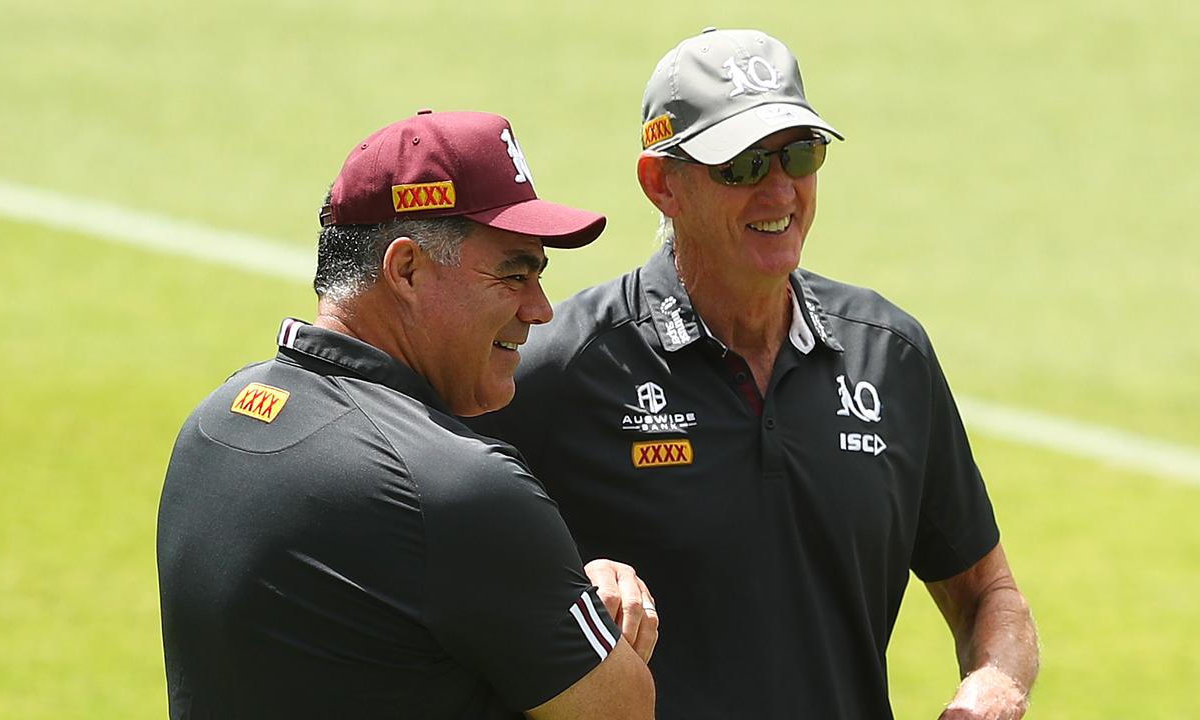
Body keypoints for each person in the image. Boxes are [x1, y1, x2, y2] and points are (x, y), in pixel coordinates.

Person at [467, 29, 1040, 719]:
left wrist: (995, 685)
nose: (779, 191)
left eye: (800, 155)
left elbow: (988, 592)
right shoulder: (555, 369)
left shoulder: (890, 357)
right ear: (662, 184)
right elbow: (440, 593)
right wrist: (576, 587)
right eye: (741, 166)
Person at [156, 110, 655, 719]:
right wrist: (596, 625)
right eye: (514, 272)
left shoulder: (215, 425)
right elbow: (618, 710)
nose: (541, 309)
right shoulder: (457, 488)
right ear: (407, 270)